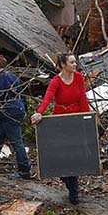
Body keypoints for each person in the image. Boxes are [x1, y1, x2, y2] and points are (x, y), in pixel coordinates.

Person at [31, 53, 90, 204]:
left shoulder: (78, 78)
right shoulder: (56, 81)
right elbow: (48, 98)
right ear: (63, 65)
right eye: (72, 62)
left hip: (75, 119)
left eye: (75, 62)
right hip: (60, 120)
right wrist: (39, 112)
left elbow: (82, 97)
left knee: (73, 156)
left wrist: (87, 119)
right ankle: (65, 177)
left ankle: (74, 192)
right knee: (61, 155)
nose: (75, 65)